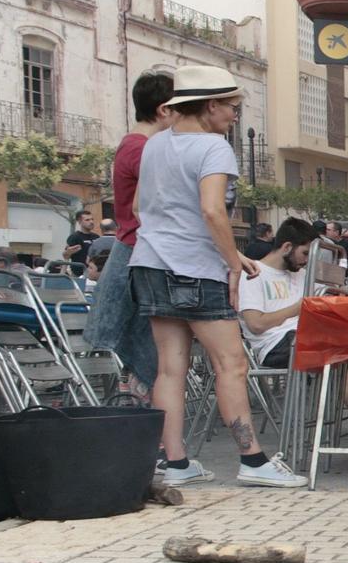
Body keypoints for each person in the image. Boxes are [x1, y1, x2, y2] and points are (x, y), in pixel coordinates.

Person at [129, 63, 306, 489]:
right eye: (231, 107)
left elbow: (137, 208)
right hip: (195, 268)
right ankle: (252, 459)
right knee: (231, 363)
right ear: (210, 106)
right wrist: (232, 261)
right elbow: (212, 210)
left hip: (149, 262)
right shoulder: (214, 148)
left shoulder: (154, 144)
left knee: (170, 369)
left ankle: (174, 464)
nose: (233, 116)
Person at [238, 217, 348, 446]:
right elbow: (256, 324)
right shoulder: (254, 274)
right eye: (305, 254)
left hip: (308, 333)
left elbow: (325, 294)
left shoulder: (300, 273)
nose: (306, 261)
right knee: (337, 362)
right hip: (276, 344)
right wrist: (301, 306)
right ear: (286, 247)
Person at [88, 71, 175, 392]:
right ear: (165, 110)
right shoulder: (142, 149)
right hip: (139, 254)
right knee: (156, 359)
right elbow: (152, 206)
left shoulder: (136, 145)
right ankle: (161, 435)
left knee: (159, 359)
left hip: (138, 252)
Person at [64, 209, 98, 276]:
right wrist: (68, 252)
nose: (91, 222)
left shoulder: (96, 237)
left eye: (92, 219)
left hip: (95, 274)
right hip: (79, 275)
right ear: (79, 222)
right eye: (87, 220)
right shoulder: (74, 237)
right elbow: (66, 255)